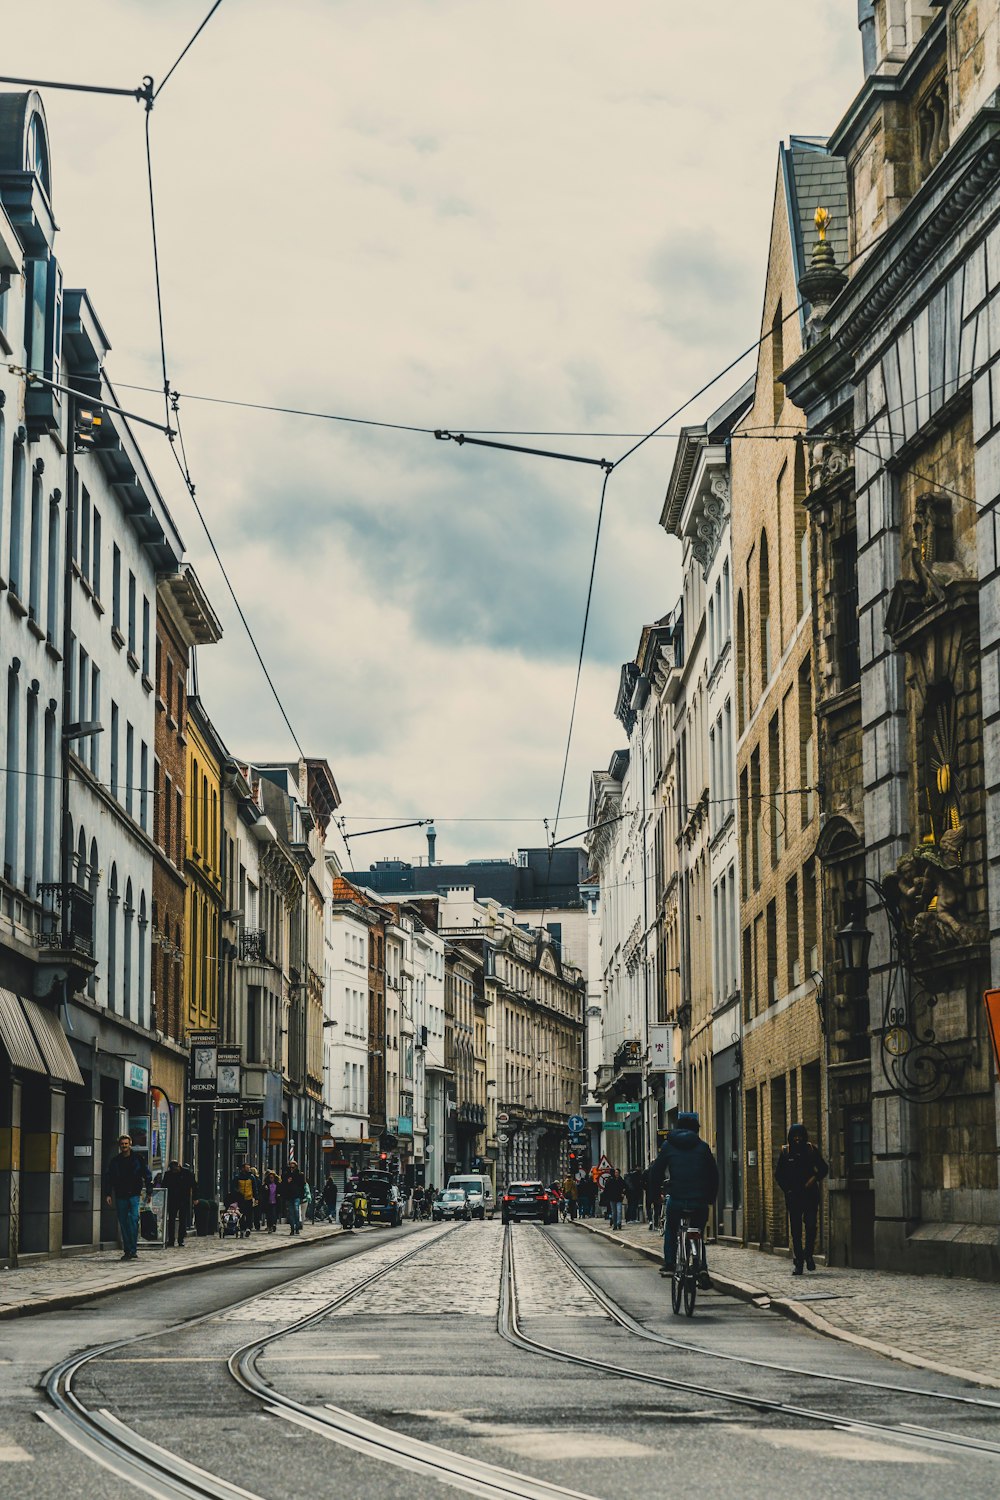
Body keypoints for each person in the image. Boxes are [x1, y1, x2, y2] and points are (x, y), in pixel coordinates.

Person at [647, 1111, 719, 1288]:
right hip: (699, 1200)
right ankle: (701, 1267)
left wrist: (654, 1196)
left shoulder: (668, 1146)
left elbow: (655, 1172)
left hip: (677, 1199)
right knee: (697, 1232)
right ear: (696, 1129)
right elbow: (714, 1175)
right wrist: (710, 1198)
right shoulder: (702, 1147)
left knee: (671, 1228)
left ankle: (670, 1264)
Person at [775, 1123, 829, 1275]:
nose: (797, 1139)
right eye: (794, 1136)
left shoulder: (811, 1150)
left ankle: (809, 1254)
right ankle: (799, 1262)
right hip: (794, 1198)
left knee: (811, 1226)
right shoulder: (786, 1153)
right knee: (796, 1231)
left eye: (800, 1136)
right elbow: (778, 1175)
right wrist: (788, 1189)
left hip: (810, 1196)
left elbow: (823, 1168)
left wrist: (814, 1179)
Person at [104, 1134, 152, 1262]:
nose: (124, 1146)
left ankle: (133, 1248)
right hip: (120, 1195)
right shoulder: (115, 1161)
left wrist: (149, 1191)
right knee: (124, 1223)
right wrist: (108, 1194)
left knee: (133, 1220)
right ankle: (128, 1250)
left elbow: (147, 1174)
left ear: (130, 1144)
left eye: (126, 1143)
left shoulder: (138, 1159)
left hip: (134, 1194)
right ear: (119, 1145)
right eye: (122, 1144)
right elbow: (109, 1178)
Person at [162, 1159, 196, 1247]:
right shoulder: (168, 1174)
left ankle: (181, 1239)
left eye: (175, 1168)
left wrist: (195, 1198)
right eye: (172, 1169)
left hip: (184, 1199)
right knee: (171, 1220)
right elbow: (163, 1186)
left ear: (178, 1166)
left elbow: (194, 1185)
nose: (173, 1171)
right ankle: (171, 1240)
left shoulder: (187, 1173)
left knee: (182, 1220)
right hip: (172, 1199)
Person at [230, 1162, 257, 1233]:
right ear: (243, 1168)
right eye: (247, 1167)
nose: (248, 1169)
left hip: (249, 1198)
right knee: (241, 1214)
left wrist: (256, 1198)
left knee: (249, 1214)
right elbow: (233, 1187)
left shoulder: (251, 1177)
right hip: (240, 1199)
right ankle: (242, 1228)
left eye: (248, 1168)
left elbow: (254, 1188)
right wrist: (237, 1193)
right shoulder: (237, 1177)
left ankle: (248, 1227)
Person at [281, 1159, 307, 1234]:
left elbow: (302, 1186)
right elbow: (283, 1185)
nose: (292, 1169)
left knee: (296, 1210)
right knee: (290, 1213)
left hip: (296, 1195)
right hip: (289, 1196)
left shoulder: (299, 1175)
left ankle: (297, 1227)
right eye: (291, 1167)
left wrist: (302, 1196)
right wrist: (286, 1181)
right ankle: (292, 1227)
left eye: (293, 1167)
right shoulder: (286, 1174)